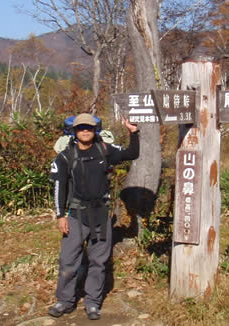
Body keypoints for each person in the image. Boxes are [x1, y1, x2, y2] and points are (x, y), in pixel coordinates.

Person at [48, 113, 139, 320]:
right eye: (81, 128)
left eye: (89, 127)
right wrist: (60, 215)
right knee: (68, 260)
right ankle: (65, 301)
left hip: (100, 215)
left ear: (95, 129)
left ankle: (92, 303)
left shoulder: (104, 149)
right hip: (75, 215)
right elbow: (58, 186)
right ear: (74, 131)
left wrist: (133, 132)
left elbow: (132, 153)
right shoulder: (65, 156)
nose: (85, 131)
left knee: (99, 261)